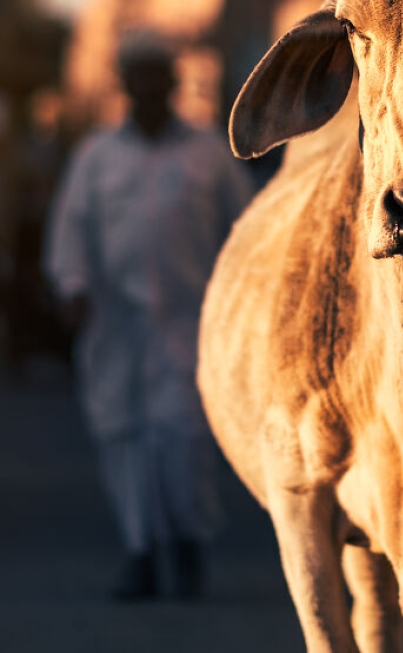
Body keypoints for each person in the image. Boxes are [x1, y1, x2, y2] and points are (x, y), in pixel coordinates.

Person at [46, 30, 253, 600]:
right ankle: (140, 552)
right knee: (124, 440)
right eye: (137, 75)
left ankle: (186, 546)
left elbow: (247, 232)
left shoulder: (209, 153)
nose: (148, 85)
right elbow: (70, 232)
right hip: (114, 329)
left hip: (193, 325)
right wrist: (73, 287)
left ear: (172, 81)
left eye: (158, 73)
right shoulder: (96, 156)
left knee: (181, 440)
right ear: (125, 84)